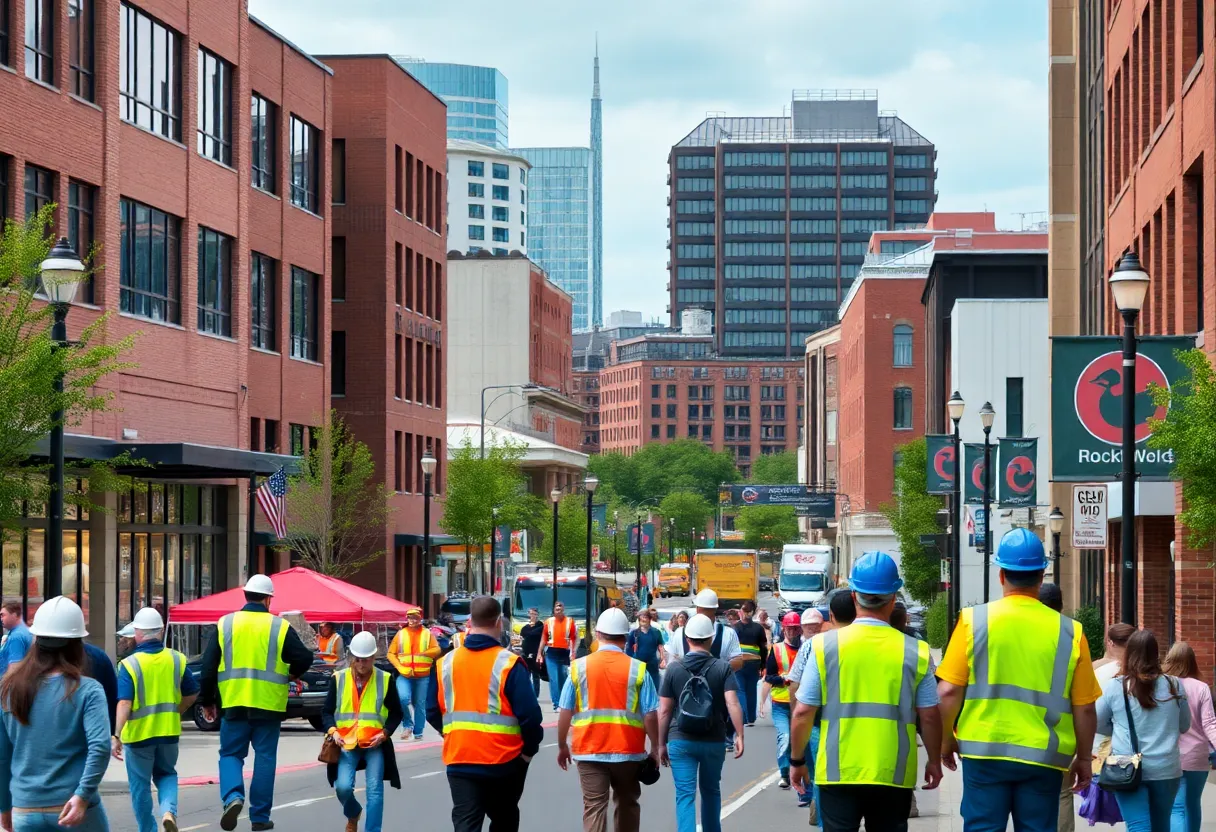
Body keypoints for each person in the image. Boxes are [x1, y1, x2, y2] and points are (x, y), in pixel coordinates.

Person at [937, 529, 1101, 832]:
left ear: (1001, 575)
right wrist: (1084, 758)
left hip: (984, 750)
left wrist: (945, 742)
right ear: (1041, 576)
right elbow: (1086, 708)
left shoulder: (974, 621)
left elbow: (947, 691)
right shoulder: (1071, 632)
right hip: (1043, 755)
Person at [789, 552, 942, 832]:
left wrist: (797, 760)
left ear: (854, 595)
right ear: (894, 597)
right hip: (892, 772)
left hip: (838, 771)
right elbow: (930, 716)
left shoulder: (824, 647)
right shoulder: (916, 651)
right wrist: (934, 760)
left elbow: (802, 712)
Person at [197, 574, 314, 832]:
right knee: (264, 758)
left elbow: (208, 667)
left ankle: (232, 797)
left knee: (230, 754)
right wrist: (290, 674)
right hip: (268, 706)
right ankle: (260, 817)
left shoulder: (225, 624)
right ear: (268, 599)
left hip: (234, 703)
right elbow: (305, 658)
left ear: (245, 595)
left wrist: (206, 700)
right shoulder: (279, 626)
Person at [427, 596, 543, 832]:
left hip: (460, 758)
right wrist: (528, 752)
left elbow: (431, 710)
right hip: (504, 761)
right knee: (504, 821)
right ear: (499, 621)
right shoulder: (509, 663)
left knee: (466, 824)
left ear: (470, 621)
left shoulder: (445, 663)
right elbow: (530, 716)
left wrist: (451, 733)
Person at [0, 596, 111, 831]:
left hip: (25, 808)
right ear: (77, 644)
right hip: (73, 806)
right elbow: (100, 747)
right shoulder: (88, 690)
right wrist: (82, 796)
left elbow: (2, 756)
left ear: (36, 640)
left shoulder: (9, 689)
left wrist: (4, 809)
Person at [557, 608, 660, 832]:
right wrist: (656, 747)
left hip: (588, 749)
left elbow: (565, 709)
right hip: (628, 751)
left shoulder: (578, 668)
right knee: (627, 803)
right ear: (625, 637)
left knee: (594, 806)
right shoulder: (638, 669)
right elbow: (651, 714)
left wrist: (562, 746)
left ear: (597, 634)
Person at [111, 607, 199, 832]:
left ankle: (147, 830)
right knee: (167, 774)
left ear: (138, 634)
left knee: (140, 787)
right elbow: (192, 692)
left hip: (139, 736)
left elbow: (124, 703)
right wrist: (176, 711)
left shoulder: (129, 665)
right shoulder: (176, 659)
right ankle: (168, 811)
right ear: (160, 632)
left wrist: (116, 734)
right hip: (168, 733)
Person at [657, 614, 745, 832]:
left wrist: (660, 744)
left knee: (685, 795)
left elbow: (665, 710)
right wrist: (740, 735)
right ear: (711, 639)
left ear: (687, 638)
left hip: (681, 740)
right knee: (711, 791)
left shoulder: (674, 669)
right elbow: (732, 703)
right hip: (713, 739)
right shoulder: (722, 667)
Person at [1097, 629, 1188, 832]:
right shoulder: (1174, 685)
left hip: (1126, 766)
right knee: (1161, 824)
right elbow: (1184, 725)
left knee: (1138, 825)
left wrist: (1120, 730)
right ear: (1156, 654)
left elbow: (1098, 723)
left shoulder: (1116, 686)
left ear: (1129, 653)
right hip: (1167, 767)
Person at [322, 631, 403, 832]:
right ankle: (353, 813)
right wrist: (334, 732)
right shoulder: (338, 679)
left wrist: (385, 733)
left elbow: (396, 713)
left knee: (375, 791)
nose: (361, 664)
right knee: (342, 788)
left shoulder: (385, 679)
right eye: (358, 659)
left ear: (373, 658)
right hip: (346, 743)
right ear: (352, 657)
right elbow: (326, 712)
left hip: (374, 744)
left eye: (366, 660)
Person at [1161, 642, 1216, 832]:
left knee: (1176, 808)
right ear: (1193, 662)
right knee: (1192, 804)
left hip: (1168, 755)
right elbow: (1210, 723)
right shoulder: (1201, 688)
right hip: (1197, 756)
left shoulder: (1162, 686)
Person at [1037, 582, 1078, 832]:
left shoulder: (1018, 633)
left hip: (1016, 733)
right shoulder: (1072, 635)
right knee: (1063, 794)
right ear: (1061, 606)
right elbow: (1083, 700)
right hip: (1060, 735)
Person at [787, 606, 827, 815]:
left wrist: (796, 716)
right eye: (808, 627)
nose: (812, 630)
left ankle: (818, 808)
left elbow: (794, 685)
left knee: (819, 771)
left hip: (817, 719)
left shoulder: (812, 646)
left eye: (815, 626)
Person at [760, 611, 803, 789]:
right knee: (785, 737)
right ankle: (784, 774)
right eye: (789, 629)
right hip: (781, 704)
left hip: (801, 704)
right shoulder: (776, 650)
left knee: (799, 741)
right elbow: (769, 678)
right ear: (784, 629)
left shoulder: (806, 648)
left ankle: (801, 774)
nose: (792, 632)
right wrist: (784, 679)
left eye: (795, 629)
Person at [388, 608, 440, 741]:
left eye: (415, 618)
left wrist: (425, 653)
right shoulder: (401, 634)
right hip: (404, 675)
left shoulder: (427, 634)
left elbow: (437, 649)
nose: (412, 620)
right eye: (410, 618)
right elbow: (390, 653)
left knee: (419, 704)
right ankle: (407, 725)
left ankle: (418, 732)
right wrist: (399, 667)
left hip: (423, 676)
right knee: (403, 699)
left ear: (420, 619)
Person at [733, 600, 768, 727]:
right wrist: (763, 665)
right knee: (751, 690)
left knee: (740, 690)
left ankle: (744, 717)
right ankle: (751, 718)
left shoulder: (736, 627)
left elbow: (731, 647)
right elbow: (763, 648)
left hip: (739, 662)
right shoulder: (758, 628)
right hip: (754, 662)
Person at [541, 601, 579, 711]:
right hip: (551, 652)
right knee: (554, 679)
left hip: (564, 653)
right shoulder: (548, 622)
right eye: (557, 608)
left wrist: (573, 652)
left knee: (563, 679)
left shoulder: (570, 622)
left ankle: (564, 703)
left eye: (560, 608)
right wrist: (540, 653)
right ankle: (557, 704)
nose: (558, 610)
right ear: (554, 610)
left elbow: (576, 638)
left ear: (563, 609)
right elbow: (544, 638)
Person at [625, 609, 665, 689]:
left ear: (650, 619)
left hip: (652, 664)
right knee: (639, 687)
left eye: (645, 617)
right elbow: (629, 650)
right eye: (641, 617)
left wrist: (662, 659)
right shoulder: (634, 633)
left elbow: (660, 646)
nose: (643, 619)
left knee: (653, 686)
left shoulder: (656, 632)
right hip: (638, 665)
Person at [518, 608, 545, 698]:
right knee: (526, 675)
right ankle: (527, 694)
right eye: (531, 614)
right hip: (526, 654)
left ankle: (535, 695)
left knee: (536, 676)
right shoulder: (525, 627)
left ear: (537, 615)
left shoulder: (540, 626)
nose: (532, 616)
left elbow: (540, 635)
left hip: (536, 653)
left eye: (534, 614)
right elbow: (521, 637)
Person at [0, 602, 32, 677]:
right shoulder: (23, 630)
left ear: (14, 615)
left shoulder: (16, 636)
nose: (1, 618)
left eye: (2, 615)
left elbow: (14, 670)